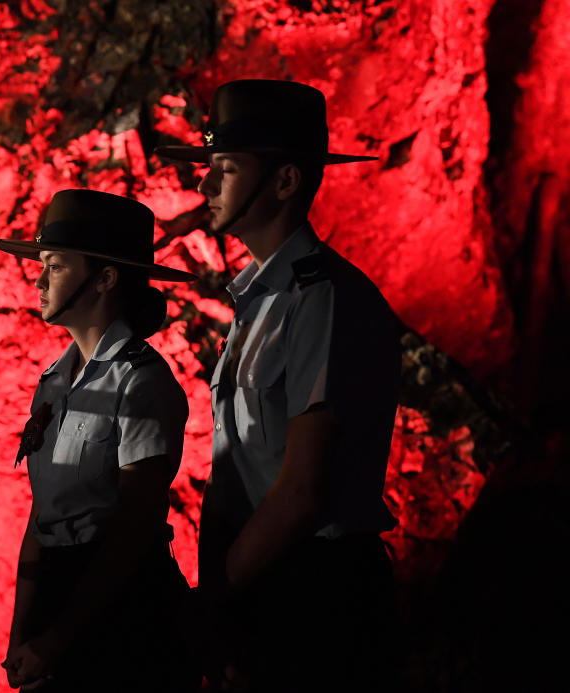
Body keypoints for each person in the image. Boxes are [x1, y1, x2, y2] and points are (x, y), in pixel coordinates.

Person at [156, 79, 401, 690]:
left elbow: (299, 493)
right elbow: (235, 469)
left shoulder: (321, 300)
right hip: (261, 583)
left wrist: (209, 602)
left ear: (286, 182)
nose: (205, 186)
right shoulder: (260, 300)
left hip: (315, 592)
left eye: (227, 170)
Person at [0, 189, 201, 692]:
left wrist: (58, 639)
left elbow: (135, 525)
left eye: (57, 266)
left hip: (121, 610)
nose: (39, 280)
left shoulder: (142, 382)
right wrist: (23, 633)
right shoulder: (54, 381)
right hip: (59, 598)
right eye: (42, 265)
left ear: (106, 278)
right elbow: (42, 517)